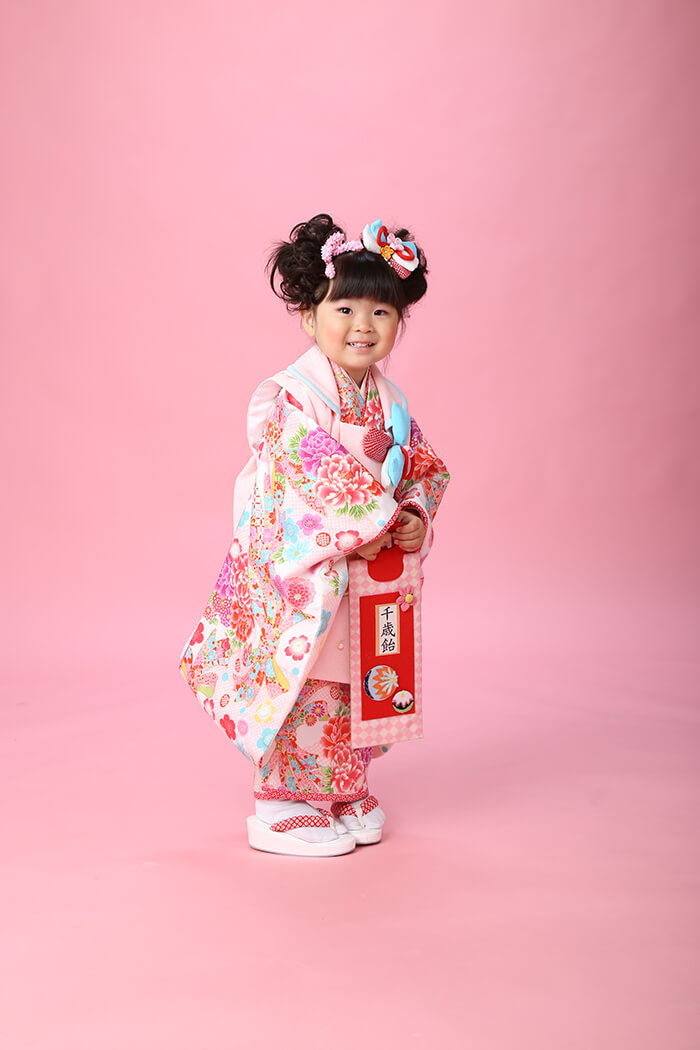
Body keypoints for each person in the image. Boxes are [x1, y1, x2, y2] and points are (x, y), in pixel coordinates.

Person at [179, 214, 450, 857]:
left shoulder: (390, 401)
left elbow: (421, 467)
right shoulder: (293, 398)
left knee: (360, 676)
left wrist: (413, 512)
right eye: (345, 308)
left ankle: (345, 788)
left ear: (399, 321)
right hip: (309, 567)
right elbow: (303, 474)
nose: (363, 325)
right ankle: (282, 803)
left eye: (381, 311)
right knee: (306, 678)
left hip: (365, 568)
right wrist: (373, 521)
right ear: (309, 316)